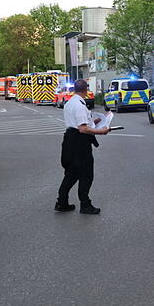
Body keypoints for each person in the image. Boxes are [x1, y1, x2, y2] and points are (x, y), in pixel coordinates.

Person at [56, 79, 109, 214]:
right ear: (86, 89)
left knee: (72, 173)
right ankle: (85, 205)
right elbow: (83, 129)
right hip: (79, 143)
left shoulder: (71, 102)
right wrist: (101, 131)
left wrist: (96, 121)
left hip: (70, 140)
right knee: (86, 174)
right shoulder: (79, 105)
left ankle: (61, 202)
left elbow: (81, 122)